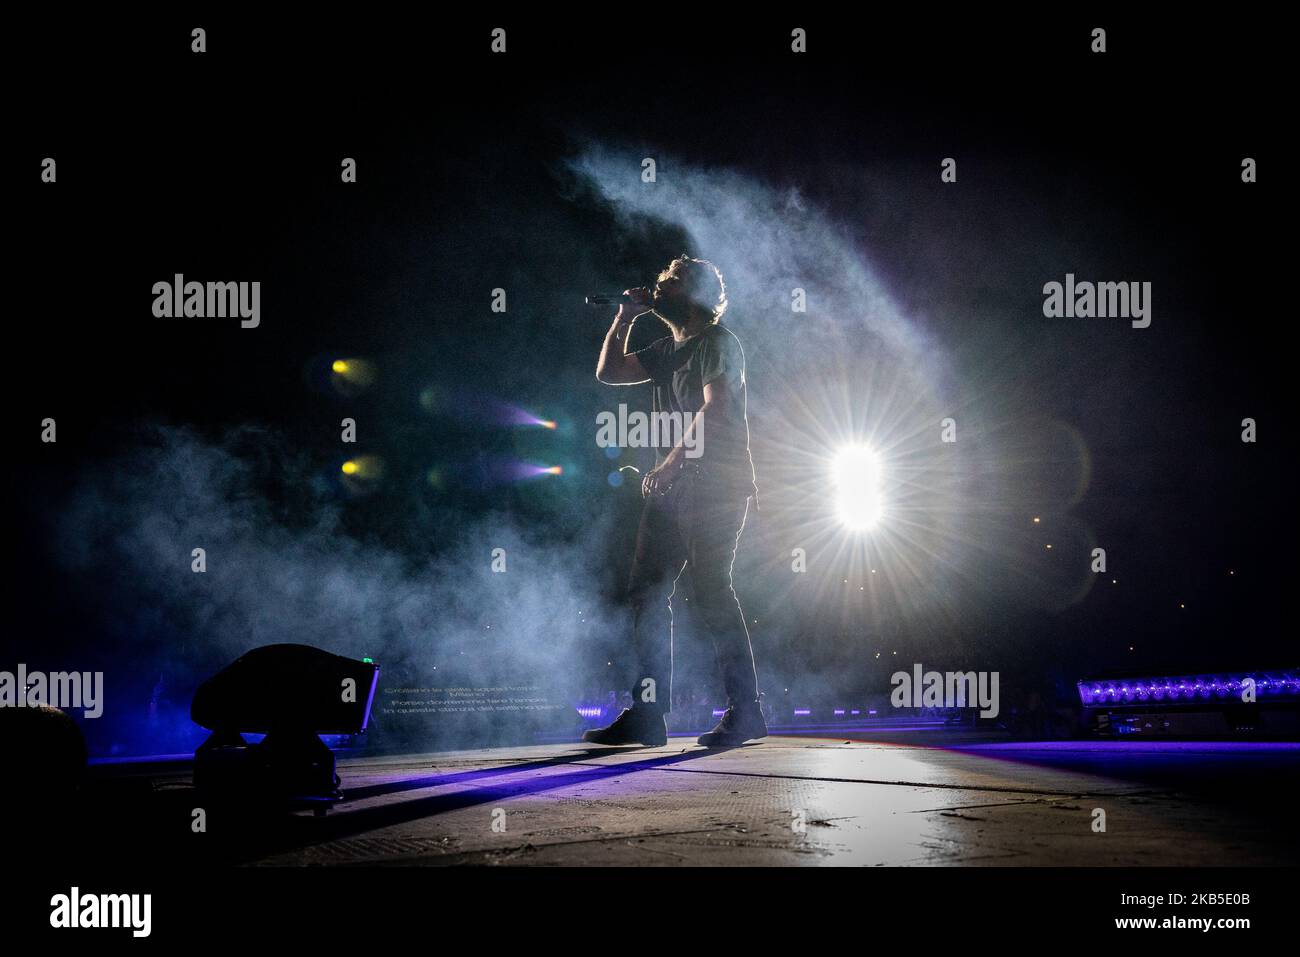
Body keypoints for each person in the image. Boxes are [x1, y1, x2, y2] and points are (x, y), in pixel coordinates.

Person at [585, 256, 765, 748]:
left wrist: (669, 464)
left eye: (672, 281)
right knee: (645, 591)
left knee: (711, 589)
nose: (660, 286)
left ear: (698, 293)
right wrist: (623, 318)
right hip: (676, 487)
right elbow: (609, 372)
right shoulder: (667, 348)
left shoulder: (718, 343)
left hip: (716, 485)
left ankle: (747, 712)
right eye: (660, 278)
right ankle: (647, 713)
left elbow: (718, 406)